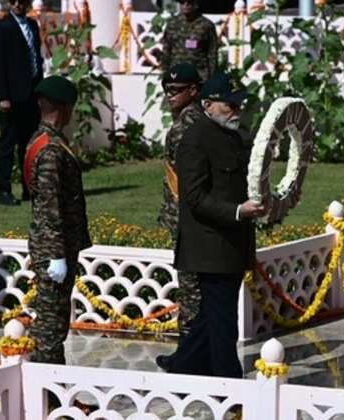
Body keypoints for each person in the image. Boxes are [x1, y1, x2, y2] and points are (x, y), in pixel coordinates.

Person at [160, 72, 266, 378]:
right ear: (207, 104)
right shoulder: (194, 140)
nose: (236, 111)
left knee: (211, 315)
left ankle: (182, 364)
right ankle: (229, 383)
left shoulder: (232, 136)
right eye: (229, 105)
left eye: (238, 105)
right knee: (223, 323)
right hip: (210, 246)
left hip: (232, 242)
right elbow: (194, 198)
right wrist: (238, 211)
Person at [24, 75, 91, 367]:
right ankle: (47, 385)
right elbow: (49, 206)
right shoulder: (50, 149)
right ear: (65, 109)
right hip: (54, 247)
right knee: (51, 325)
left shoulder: (44, 140)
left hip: (55, 243)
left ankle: (50, 381)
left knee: (53, 319)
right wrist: (56, 255)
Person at [155, 63, 204, 371]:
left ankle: (188, 357)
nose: (170, 95)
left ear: (193, 91)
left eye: (177, 90)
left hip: (190, 222)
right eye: (167, 90)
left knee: (191, 290)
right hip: (191, 220)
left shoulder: (184, 128)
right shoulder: (195, 121)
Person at [0, 0, 44, 206]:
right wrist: (2, 96)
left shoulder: (32, 25)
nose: (19, 4)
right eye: (14, 1)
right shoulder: (1, 28)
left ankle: (29, 188)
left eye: (22, 1)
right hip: (11, 97)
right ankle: (4, 191)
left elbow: (36, 57)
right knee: (7, 144)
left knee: (29, 144)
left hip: (31, 93)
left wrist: (40, 89)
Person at [161, 0, 219, 82]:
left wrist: (212, 78)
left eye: (189, 3)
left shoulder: (207, 25)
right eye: (182, 2)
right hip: (176, 74)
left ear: (196, 4)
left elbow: (212, 53)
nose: (185, 5)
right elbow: (166, 50)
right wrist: (165, 73)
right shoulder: (172, 24)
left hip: (198, 75)